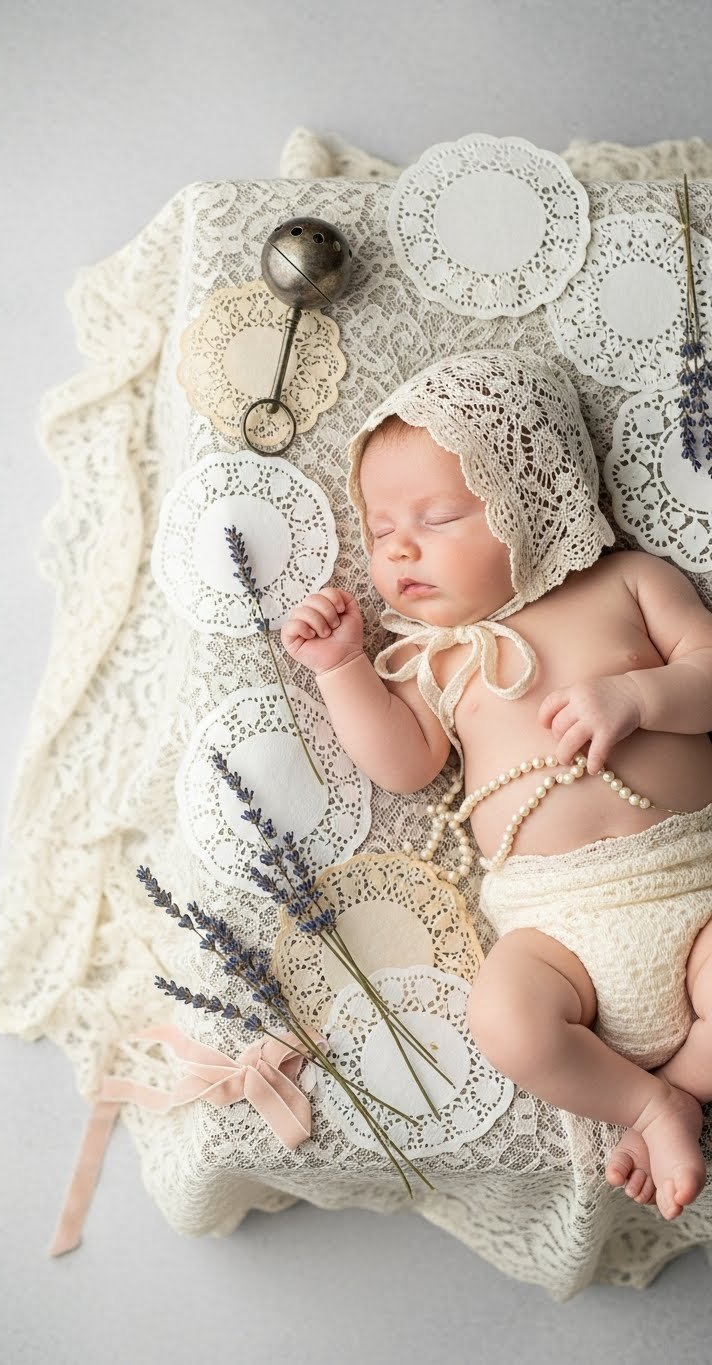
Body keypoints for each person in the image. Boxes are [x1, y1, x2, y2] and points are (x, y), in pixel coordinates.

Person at [281, 349, 712, 1223]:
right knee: (504, 1023)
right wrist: (341, 668)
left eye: (438, 515)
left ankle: (676, 1093)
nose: (398, 546)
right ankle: (644, 1103)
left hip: (693, 892)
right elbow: (403, 764)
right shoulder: (439, 655)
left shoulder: (631, 584)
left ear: (532, 495)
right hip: (555, 932)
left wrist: (638, 694)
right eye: (380, 527)